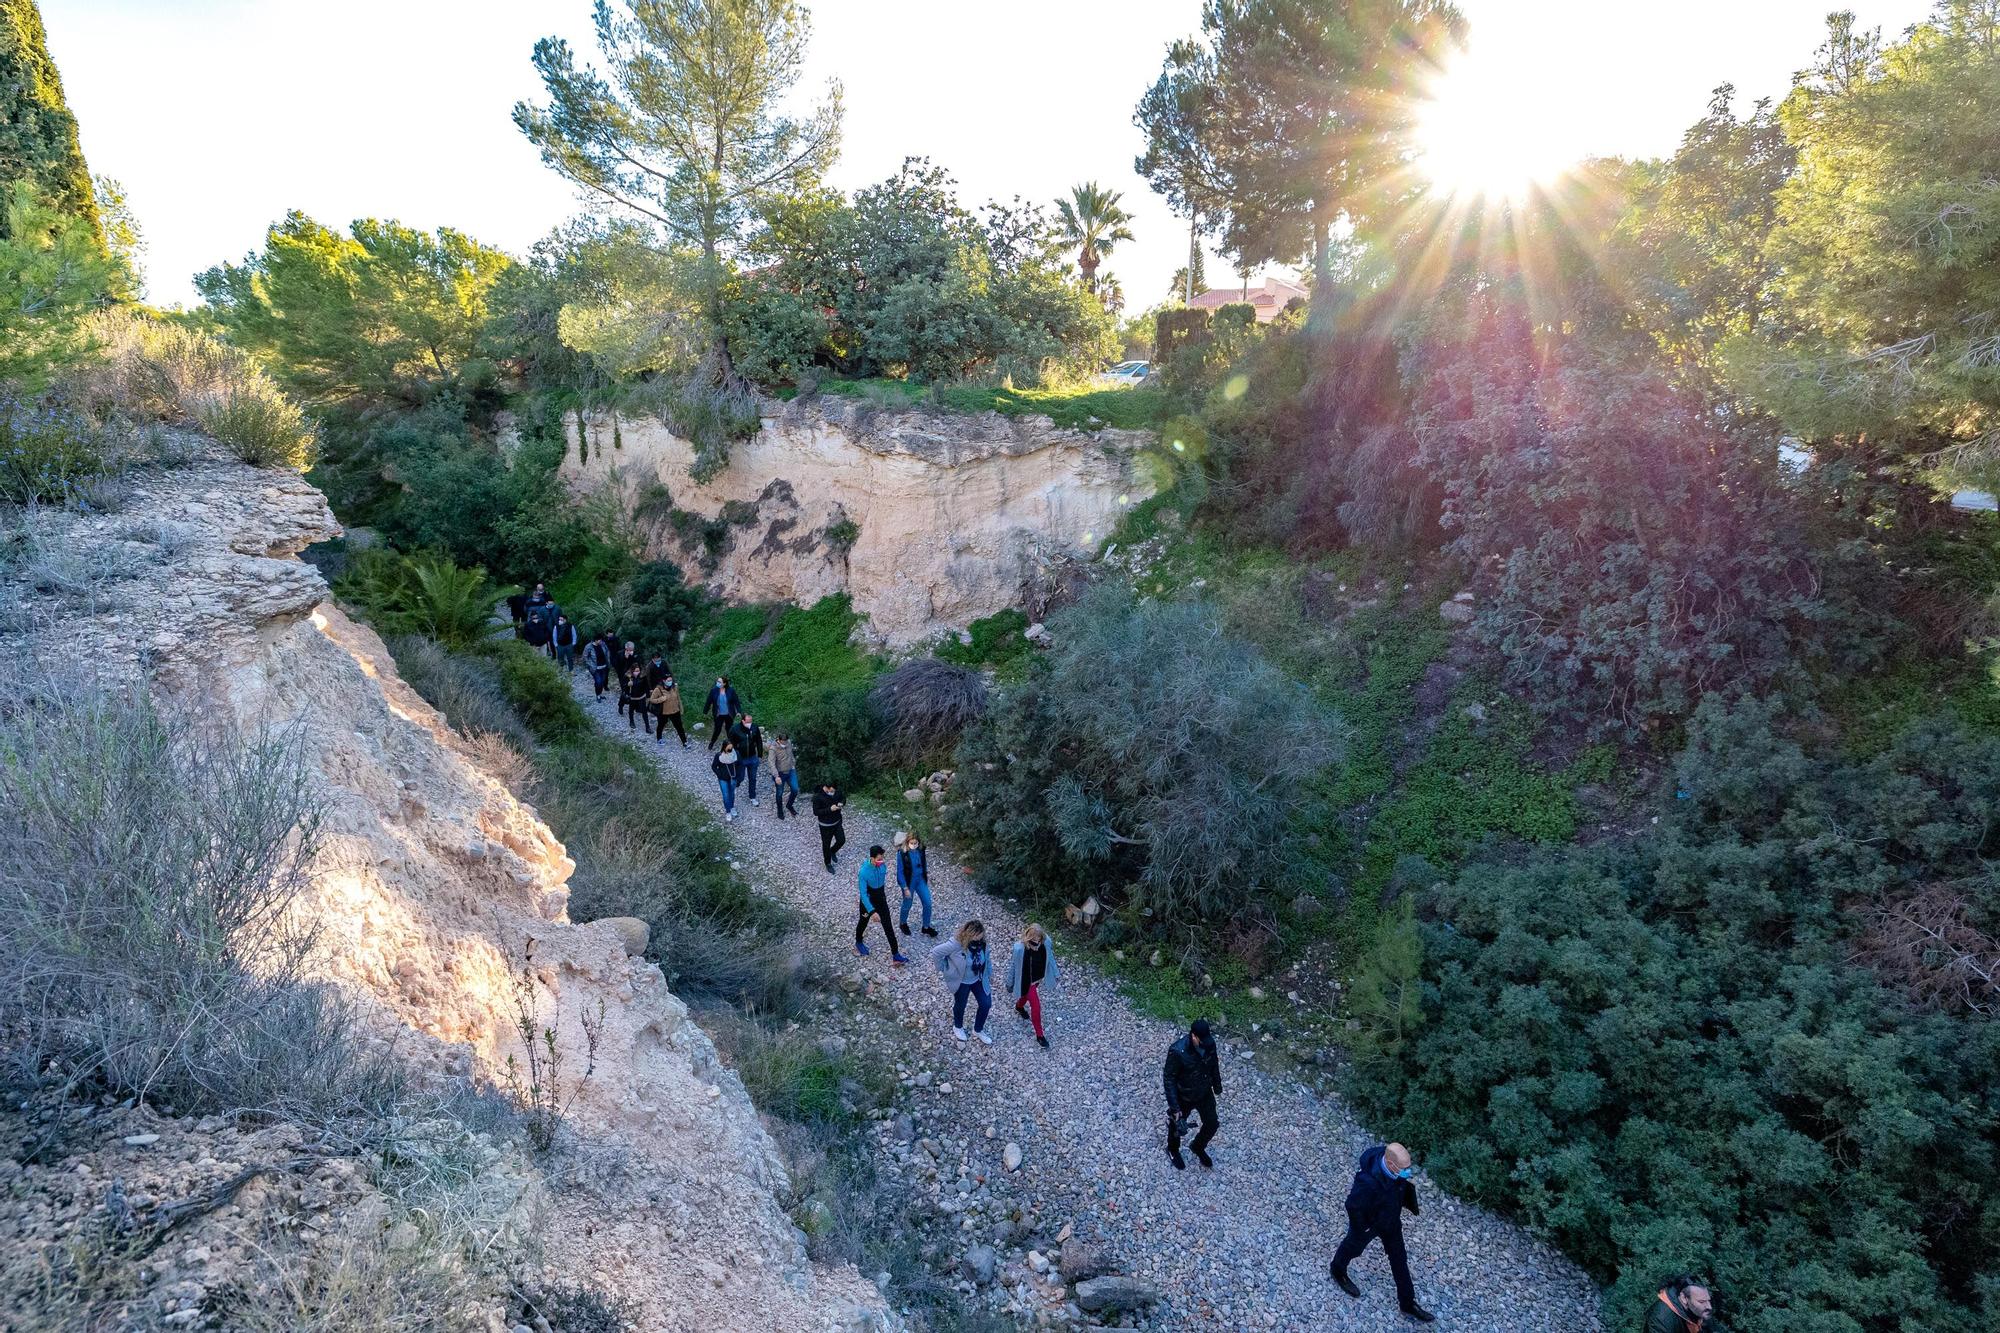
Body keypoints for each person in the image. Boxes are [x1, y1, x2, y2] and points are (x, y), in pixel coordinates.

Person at [1328, 1142, 1434, 1323]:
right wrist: (1363, 1227)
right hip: (1370, 1223)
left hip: (1391, 1222)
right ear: (1391, 1165)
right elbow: (1352, 1205)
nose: (1408, 1172)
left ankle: (1407, 1302)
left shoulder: (1393, 1169)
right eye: (1404, 1169)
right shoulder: (1368, 1183)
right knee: (1353, 1247)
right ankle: (1337, 1269)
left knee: (1399, 1259)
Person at [1163, 1019, 1222, 1170]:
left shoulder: (1209, 1044)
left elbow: (1214, 1064)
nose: (1205, 1043)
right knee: (1177, 1126)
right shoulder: (1177, 1051)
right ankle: (1173, 1149)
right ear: (1194, 1036)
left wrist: (1217, 1086)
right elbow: (1169, 1079)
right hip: (1185, 1095)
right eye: (1201, 1040)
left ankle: (1198, 1146)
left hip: (1204, 1092)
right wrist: (1175, 1107)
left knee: (1212, 1123)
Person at [931, 920, 994, 1044]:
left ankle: (978, 1029)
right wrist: (943, 967)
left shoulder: (982, 944)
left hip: (978, 979)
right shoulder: (955, 944)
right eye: (976, 937)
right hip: (962, 982)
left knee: (986, 1003)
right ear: (969, 934)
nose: (979, 939)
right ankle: (958, 1026)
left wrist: (990, 974)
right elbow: (936, 952)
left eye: (980, 936)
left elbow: (986, 959)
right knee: (961, 1004)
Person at [1006, 924, 1057, 1048]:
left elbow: (1050, 958)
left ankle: (1019, 1007)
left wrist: (1055, 973)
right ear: (1028, 938)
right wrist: (1009, 982)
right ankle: (1040, 1035)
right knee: (1036, 1006)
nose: (1036, 942)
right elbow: (1013, 966)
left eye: (1038, 939)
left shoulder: (1046, 943)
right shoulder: (1020, 949)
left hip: (1038, 978)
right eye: (1033, 940)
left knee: (1024, 996)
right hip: (1027, 982)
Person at [854, 845, 907, 963]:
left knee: (888, 926)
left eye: (882, 858)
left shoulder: (882, 865)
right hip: (868, 901)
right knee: (863, 922)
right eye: (878, 859)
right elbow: (863, 894)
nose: (881, 861)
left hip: (881, 899)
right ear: (871, 858)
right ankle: (858, 941)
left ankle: (896, 954)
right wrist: (872, 911)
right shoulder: (863, 872)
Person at [896, 832, 936, 937]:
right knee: (907, 904)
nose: (914, 845)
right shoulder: (902, 853)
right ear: (907, 842)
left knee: (928, 903)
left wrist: (926, 876)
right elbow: (900, 872)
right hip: (909, 882)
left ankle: (926, 927)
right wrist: (905, 888)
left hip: (920, 880)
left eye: (916, 843)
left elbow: (924, 864)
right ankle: (903, 923)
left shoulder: (921, 850)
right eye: (912, 843)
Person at [1645, 1278, 1715, 1333]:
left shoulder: (1699, 1311)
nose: (1709, 1306)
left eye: (1708, 1300)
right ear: (1684, 1298)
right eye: (1701, 1302)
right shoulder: (1661, 1318)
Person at [730, 712, 765, 806]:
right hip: (741, 758)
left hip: (753, 757)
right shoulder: (735, 729)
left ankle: (752, 796)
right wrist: (734, 756)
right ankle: (735, 785)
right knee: (740, 777)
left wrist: (760, 755)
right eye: (748, 721)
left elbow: (758, 741)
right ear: (743, 721)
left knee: (753, 778)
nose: (750, 723)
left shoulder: (754, 727)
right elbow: (731, 743)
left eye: (751, 721)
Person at [812, 781, 846, 872]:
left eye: (834, 790)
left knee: (841, 840)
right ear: (826, 787)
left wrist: (841, 803)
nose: (833, 792)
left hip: (837, 822)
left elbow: (843, 798)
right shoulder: (818, 796)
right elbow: (816, 812)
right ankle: (828, 863)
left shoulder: (837, 791)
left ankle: (833, 851)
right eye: (831, 790)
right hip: (825, 825)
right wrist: (829, 809)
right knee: (826, 845)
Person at [647, 672, 687, 745]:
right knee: (661, 725)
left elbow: (678, 698)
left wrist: (681, 708)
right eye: (668, 680)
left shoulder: (674, 687)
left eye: (671, 680)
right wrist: (661, 699)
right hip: (664, 712)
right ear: (664, 681)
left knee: (679, 727)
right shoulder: (658, 689)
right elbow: (651, 700)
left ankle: (684, 742)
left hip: (675, 711)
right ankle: (659, 738)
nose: (670, 682)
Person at [705, 675, 741, 752]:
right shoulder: (713, 690)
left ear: (724, 683)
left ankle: (731, 744)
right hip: (718, 715)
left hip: (729, 714)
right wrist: (705, 711)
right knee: (717, 729)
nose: (717, 683)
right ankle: (712, 742)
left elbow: (736, 701)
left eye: (719, 682)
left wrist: (738, 711)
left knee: (729, 730)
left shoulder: (731, 690)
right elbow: (709, 701)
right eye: (717, 681)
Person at [770, 731, 800, 820]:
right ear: (779, 740)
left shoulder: (789, 743)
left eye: (786, 742)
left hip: (790, 771)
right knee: (779, 793)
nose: (785, 744)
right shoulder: (773, 749)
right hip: (780, 774)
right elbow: (771, 763)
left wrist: (793, 763)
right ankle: (780, 810)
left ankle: (789, 805)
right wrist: (776, 776)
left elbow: (791, 755)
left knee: (795, 789)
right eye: (783, 742)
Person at [711, 743, 740, 822]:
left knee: (732, 793)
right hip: (723, 779)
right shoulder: (719, 756)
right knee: (726, 795)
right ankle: (728, 811)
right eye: (729, 747)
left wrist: (738, 776)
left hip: (733, 778)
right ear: (724, 747)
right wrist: (719, 775)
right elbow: (714, 766)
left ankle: (732, 807)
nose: (730, 748)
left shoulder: (736, 754)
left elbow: (740, 765)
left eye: (731, 746)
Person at [582, 633, 612, 700]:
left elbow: (607, 651)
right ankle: (598, 695)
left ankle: (600, 694)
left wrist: (608, 660)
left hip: (604, 667)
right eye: (600, 640)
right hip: (595, 668)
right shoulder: (589, 646)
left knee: (602, 681)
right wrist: (590, 665)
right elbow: (584, 657)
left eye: (601, 640)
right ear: (595, 640)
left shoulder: (603, 644)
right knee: (598, 681)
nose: (601, 642)